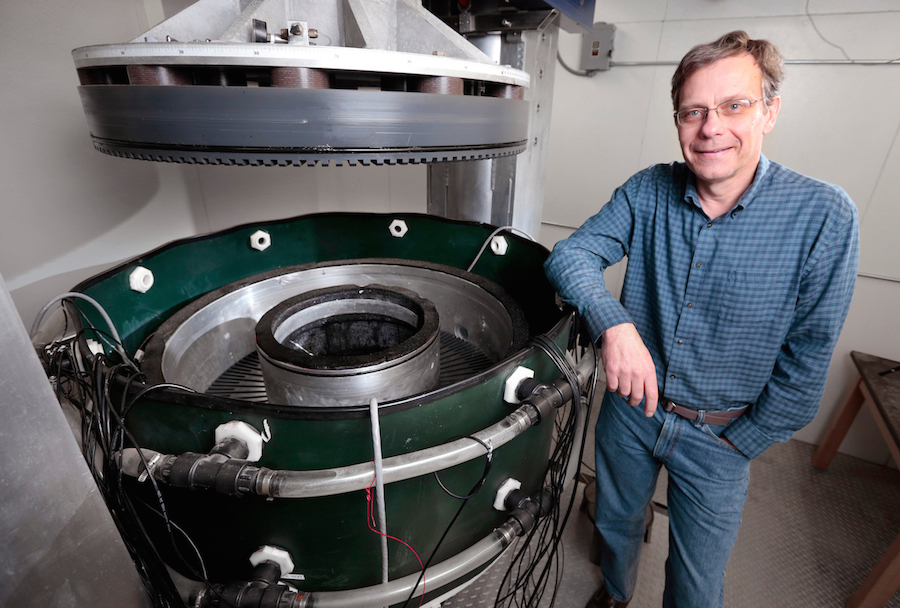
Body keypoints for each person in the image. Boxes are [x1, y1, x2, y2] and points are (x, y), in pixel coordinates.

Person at [544, 31, 859, 608]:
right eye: (694, 111)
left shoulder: (823, 215)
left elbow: (809, 353)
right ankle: (615, 593)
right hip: (631, 413)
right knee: (615, 524)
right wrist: (615, 325)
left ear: (770, 112)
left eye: (734, 105)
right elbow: (571, 255)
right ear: (679, 121)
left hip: (722, 435)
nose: (711, 128)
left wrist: (744, 442)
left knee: (696, 583)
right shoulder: (649, 190)